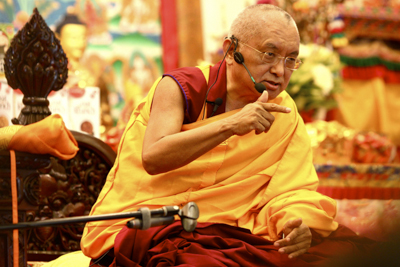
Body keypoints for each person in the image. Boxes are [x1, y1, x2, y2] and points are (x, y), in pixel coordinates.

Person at [81, 4, 377, 266]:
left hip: (235, 230)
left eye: (290, 60)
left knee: (351, 255)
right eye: (270, 54)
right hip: (158, 223)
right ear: (230, 49)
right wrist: (231, 124)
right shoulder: (183, 88)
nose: (279, 71)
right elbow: (153, 157)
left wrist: (294, 223)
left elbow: (291, 190)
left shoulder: (284, 113)